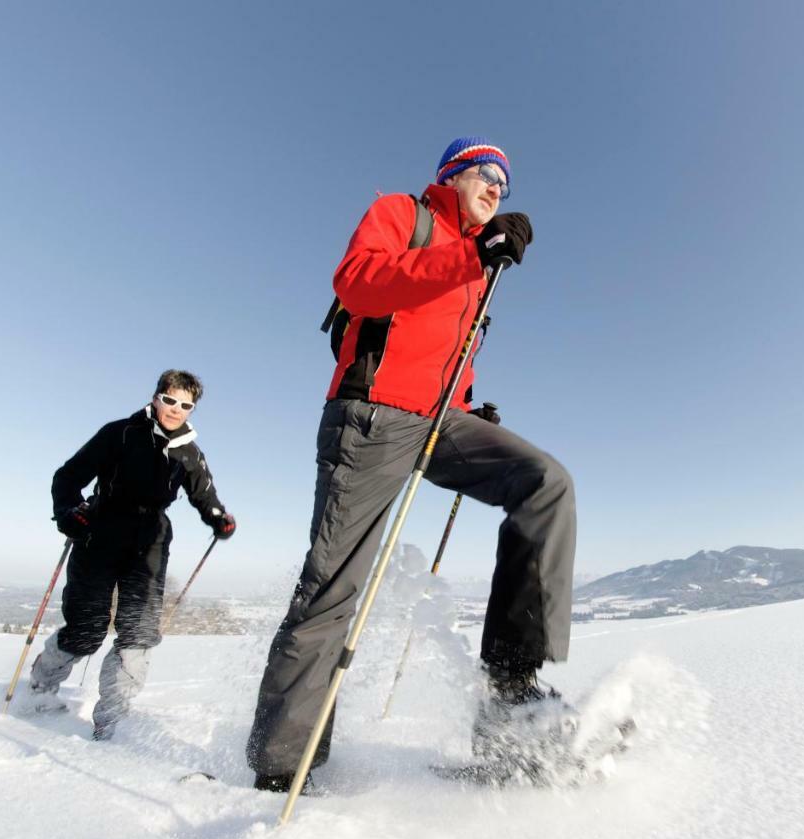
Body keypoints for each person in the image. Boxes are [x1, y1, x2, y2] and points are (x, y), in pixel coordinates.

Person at [247, 137, 576, 791]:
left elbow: (442, 347)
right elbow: (359, 285)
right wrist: (471, 253)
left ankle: (512, 697)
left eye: (504, 186)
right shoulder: (404, 215)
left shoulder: (482, 263)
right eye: (486, 176)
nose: (496, 190)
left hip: (439, 419)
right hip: (370, 415)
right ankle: (283, 772)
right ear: (452, 175)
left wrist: (467, 406)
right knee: (331, 590)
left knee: (545, 483)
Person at [27, 369, 236, 740]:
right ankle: (40, 691)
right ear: (156, 397)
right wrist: (69, 513)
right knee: (86, 629)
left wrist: (218, 519)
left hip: (151, 540)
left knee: (139, 632)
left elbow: (204, 496)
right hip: (101, 529)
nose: (176, 409)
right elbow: (67, 476)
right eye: (170, 399)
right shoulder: (119, 433)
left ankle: (112, 722)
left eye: (185, 405)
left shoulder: (189, 451)